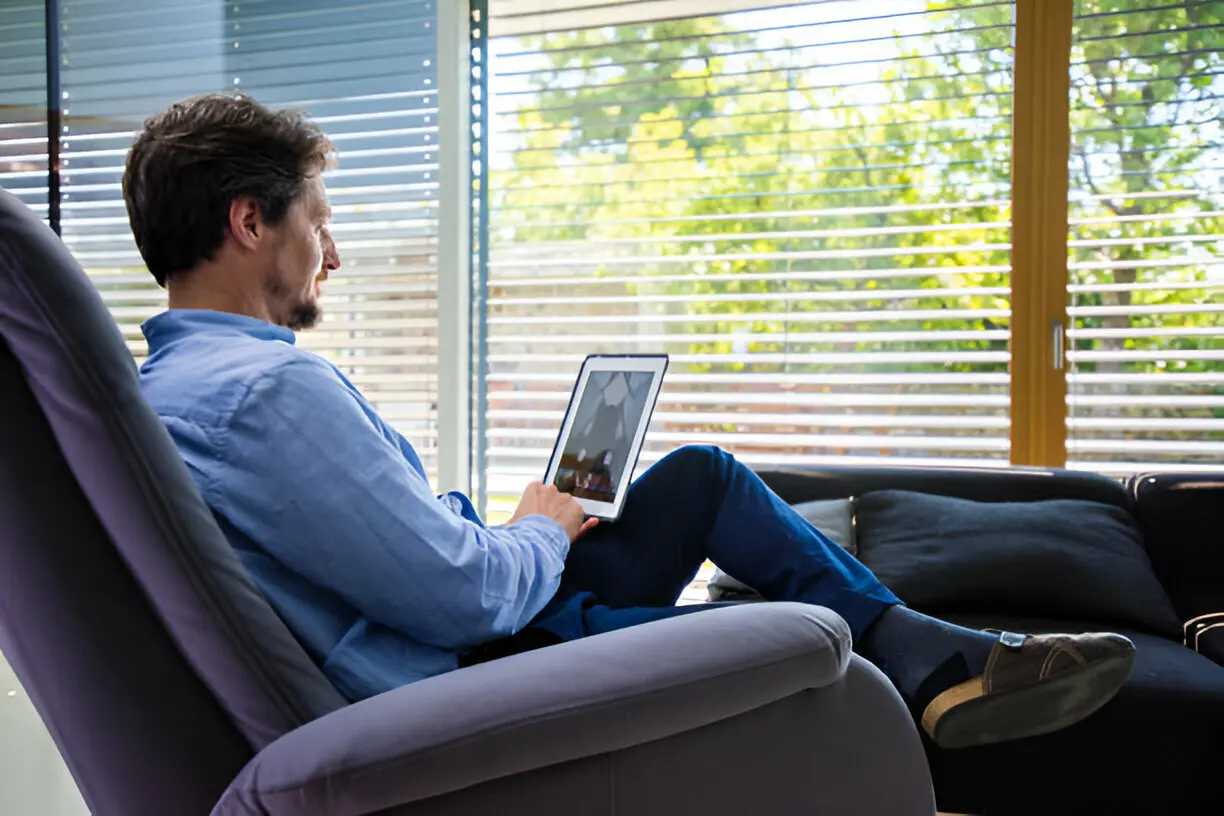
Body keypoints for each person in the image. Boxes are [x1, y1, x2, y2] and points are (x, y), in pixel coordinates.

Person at [128, 94, 1135, 750]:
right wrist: (537, 529)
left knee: (699, 475)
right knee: (789, 629)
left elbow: (408, 562)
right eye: (320, 220)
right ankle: (931, 662)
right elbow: (459, 598)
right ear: (250, 223)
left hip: (481, 627)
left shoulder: (177, 390)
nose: (332, 255)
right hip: (478, 668)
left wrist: (521, 527)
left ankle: (927, 651)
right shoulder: (265, 394)